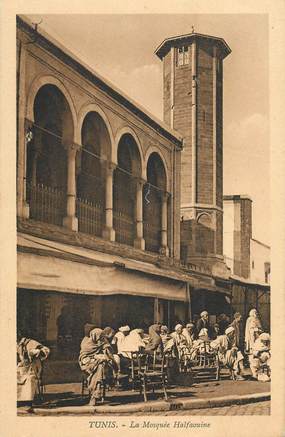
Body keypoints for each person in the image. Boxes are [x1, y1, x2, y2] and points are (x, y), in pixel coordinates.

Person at [79, 325, 118, 405]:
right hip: (87, 365)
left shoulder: (102, 342)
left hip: (99, 366)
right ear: (94, 335)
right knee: (100, 366)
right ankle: (96, 393)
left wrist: (104, 355)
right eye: (99, 337)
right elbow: (83, 358)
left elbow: (109, 353)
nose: (101, 339)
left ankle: (95, 393)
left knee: (100, 365)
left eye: (101, 337)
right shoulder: (86, 342)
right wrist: (95, 357)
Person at [17, 332, 50, 411]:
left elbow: (46, 350)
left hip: (30, 369)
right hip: (18, 369)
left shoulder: (29, 343)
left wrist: (35, 352)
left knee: (30, 378)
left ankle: (26, 402)